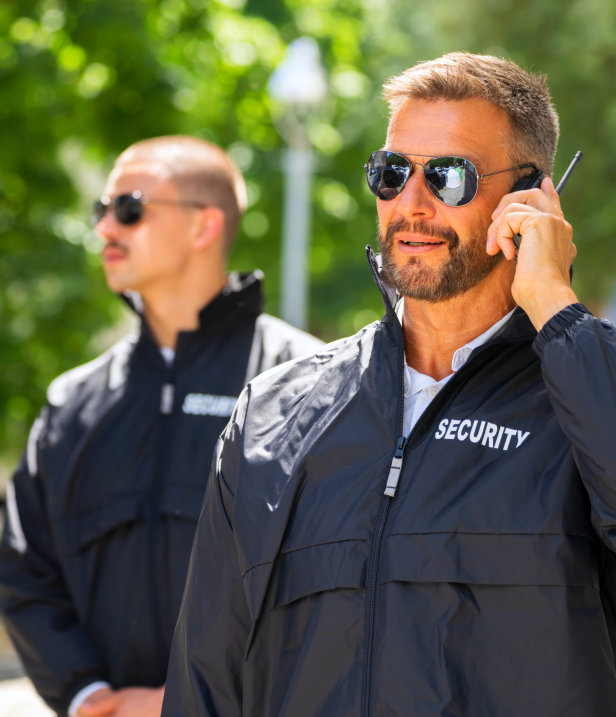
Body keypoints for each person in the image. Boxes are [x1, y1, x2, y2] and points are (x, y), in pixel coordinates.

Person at [162, 53, 616, 716]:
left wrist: (553, 300)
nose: (411, 203)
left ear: (532, 199)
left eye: (448, 176)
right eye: (392, 172)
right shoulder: (270, 414)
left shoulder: (584, 396)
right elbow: (206, 675)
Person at [0, 135, 323, 717]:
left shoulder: (308, 385)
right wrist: (86, 696)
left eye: (129, 208)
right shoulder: (71, 403)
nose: (105, 229)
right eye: (102, 210)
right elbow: (22, 565)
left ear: (204, 227)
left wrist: (192, 701)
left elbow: (333, 581)